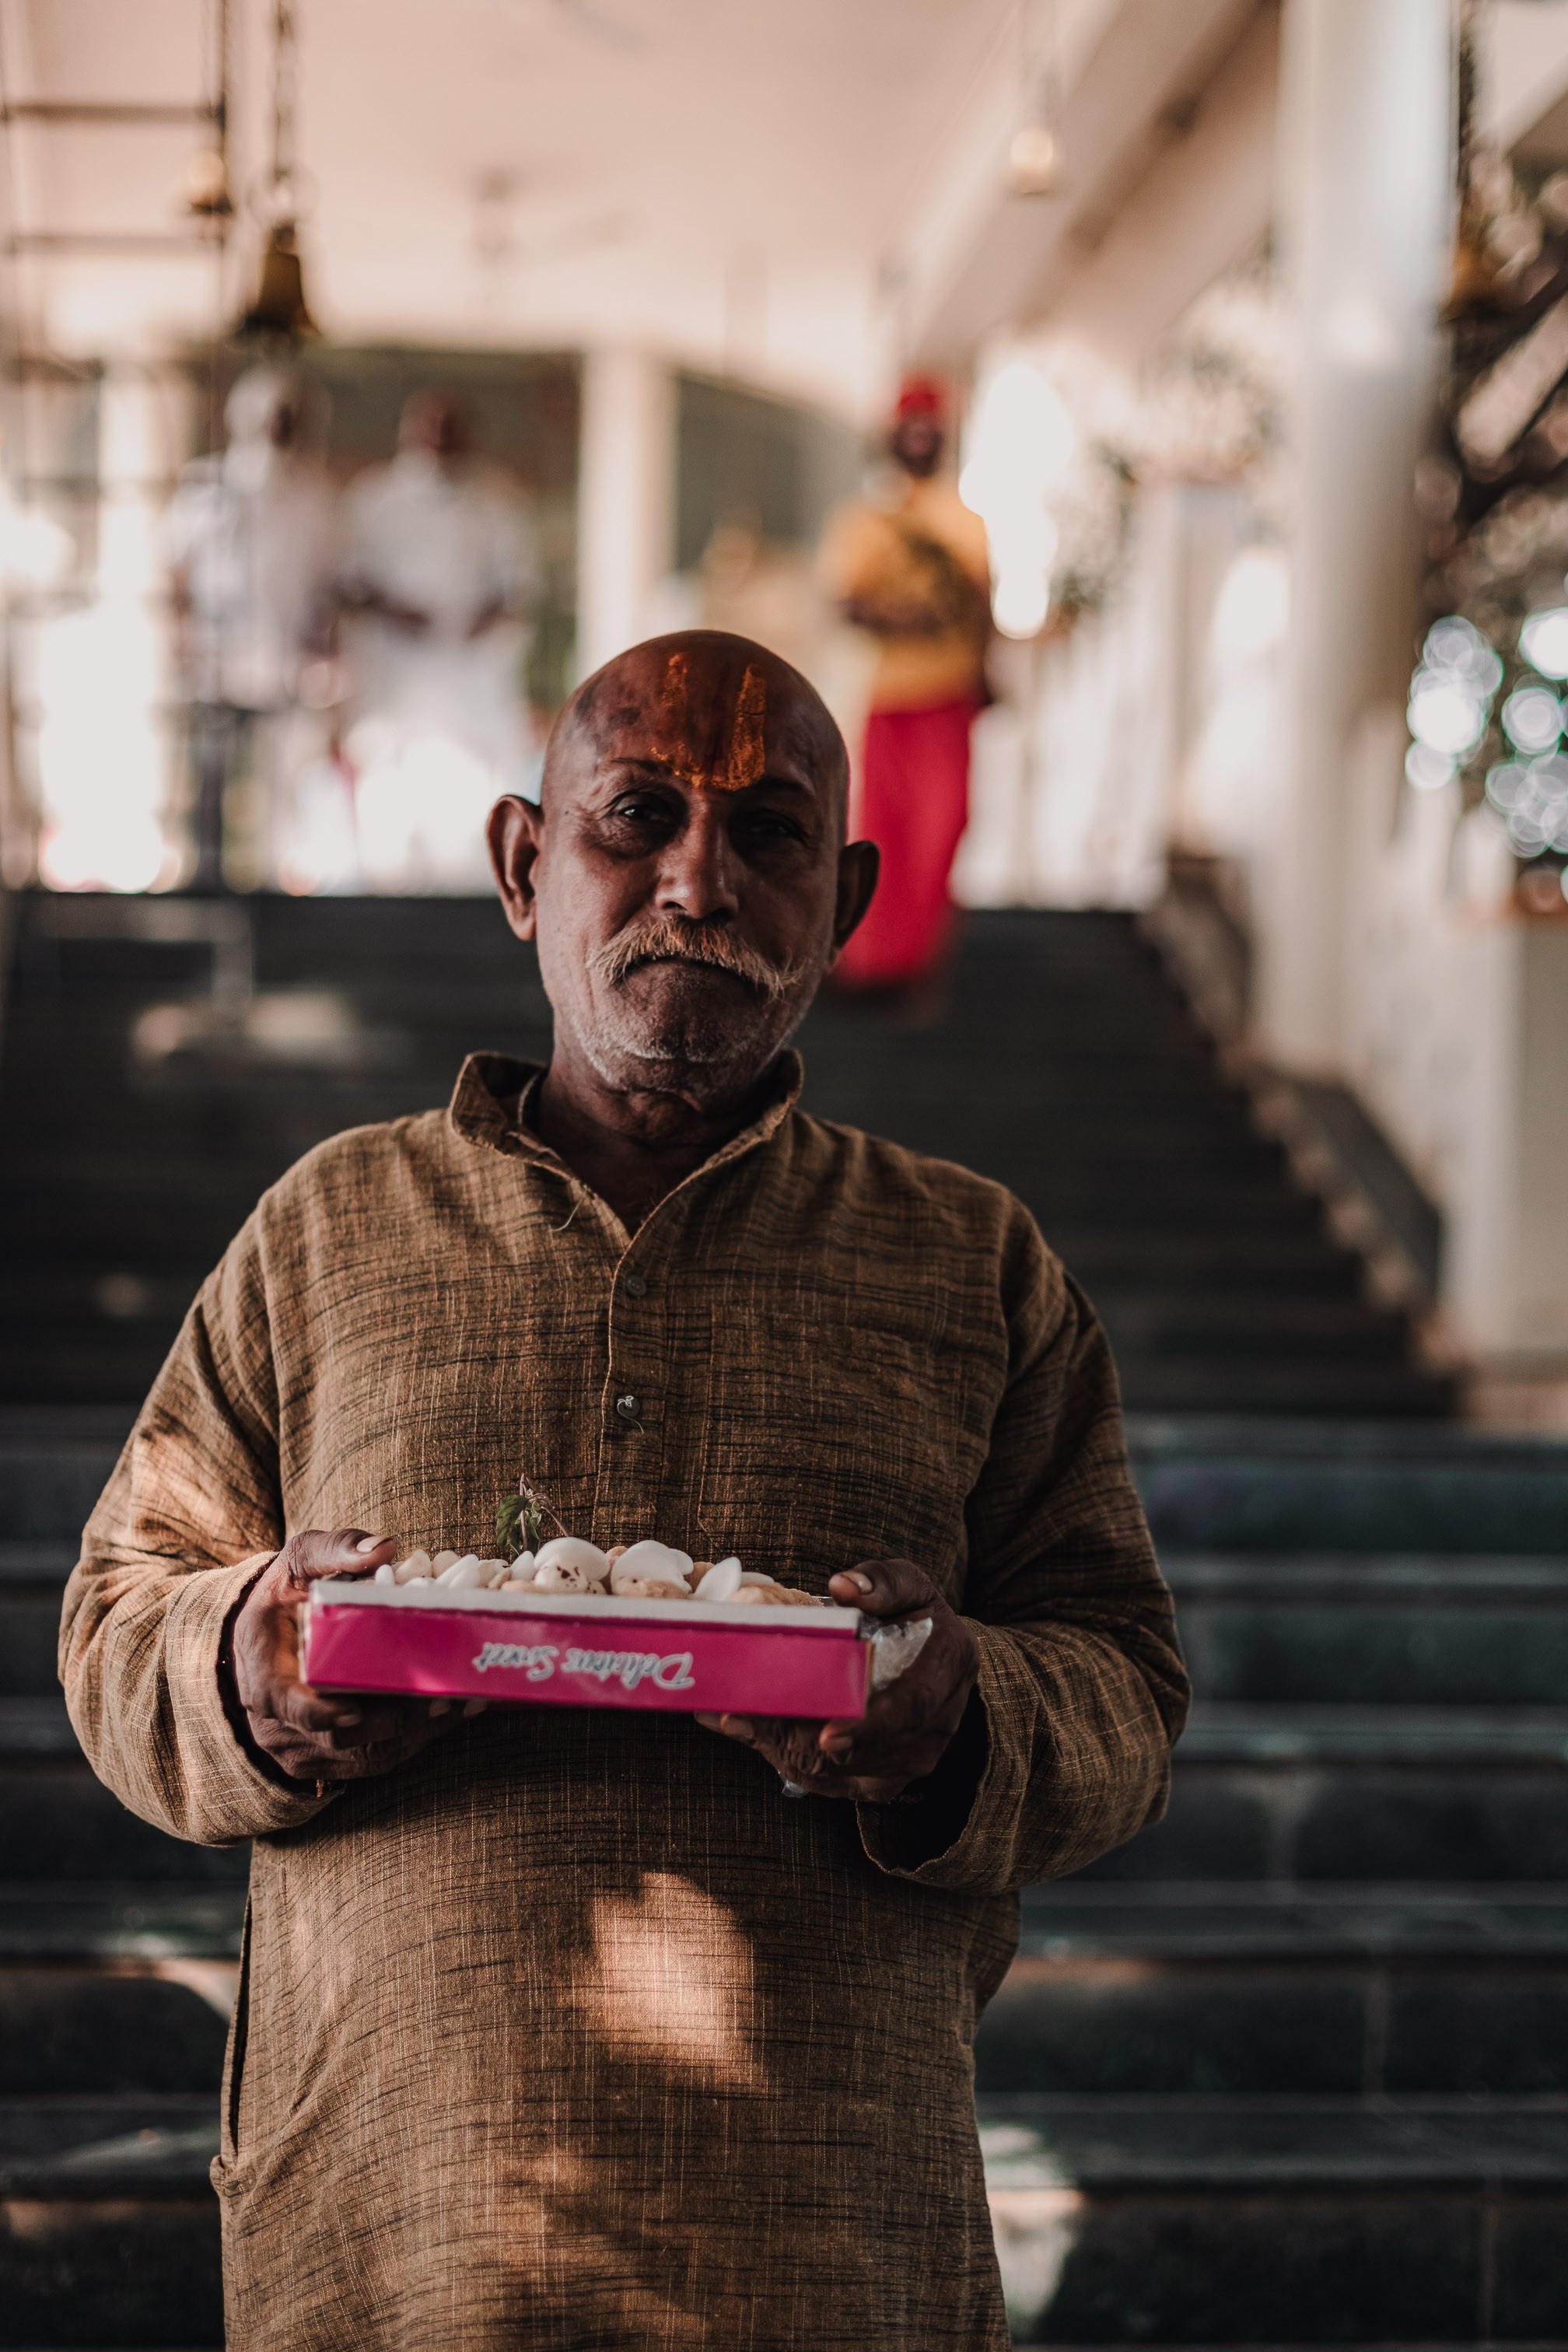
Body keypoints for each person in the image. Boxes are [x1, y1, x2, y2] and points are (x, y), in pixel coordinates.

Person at [60, 629, 1187, 2351]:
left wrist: (959, 1716)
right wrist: (252, 1668)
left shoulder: (974, 1265)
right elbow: (118, 1616)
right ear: (525, 864)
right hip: (389, 2240)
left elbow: (1124, 1683)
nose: (695, 880)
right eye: (635, 815)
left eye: (770, 836)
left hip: (833, 2252)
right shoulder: (326, 1228)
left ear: (850, 896)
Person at [817, 376, 992, 991]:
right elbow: (843, 604)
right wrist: (902, 619)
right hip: (890, 697)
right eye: (909, 427)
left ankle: (919, 959)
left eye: (929, 428)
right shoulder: (865, 521)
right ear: (892, 437)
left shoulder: (967, 522)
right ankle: (874, 961)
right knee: (885, 831)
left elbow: (982, 608)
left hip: (950, 697)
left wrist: (988, 673)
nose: (919, 438)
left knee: (945, 826)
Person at [339, 389, 542, 890]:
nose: (439, 443)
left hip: (468, 676)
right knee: (388, 784)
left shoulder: (495, 501)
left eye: (451, 432)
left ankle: (465, 894)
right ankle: (383, 894)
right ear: (410, 435)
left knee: (467, 793)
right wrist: (395, 610)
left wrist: (481, 620)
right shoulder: (375, 498)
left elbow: (519, 586)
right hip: (395, 672)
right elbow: (350, 581)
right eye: (430, 431)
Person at [164, 367, 341, 888]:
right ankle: (204, 875)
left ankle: (268, 879)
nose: (281, 430)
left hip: (283, 663)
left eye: (291, 420)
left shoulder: (315, 498)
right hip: (217, 657)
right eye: (274, 418)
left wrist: (321, 650)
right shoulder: (207, 485)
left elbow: (327, 584)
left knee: (277, 778)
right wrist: (182, 635)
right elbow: (175, 566)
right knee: (211, 771)